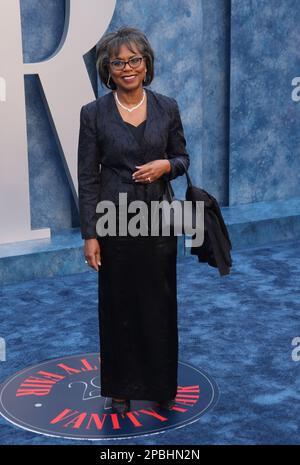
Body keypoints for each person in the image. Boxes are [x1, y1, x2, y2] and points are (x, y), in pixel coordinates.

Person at [77, 26, 190, 414]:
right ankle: (120, 388)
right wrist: (89, 234)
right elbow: (88, 176)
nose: (127, 67)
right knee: (118, 303)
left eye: (134, 60)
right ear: (108, 69)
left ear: (146, 64)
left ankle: (161, 384)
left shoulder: (168, 107)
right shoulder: (93, 114)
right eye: (118, 61)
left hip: (158, 220)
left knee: (159, 301)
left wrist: (166, 166)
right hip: (113, 222)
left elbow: (182, 158)